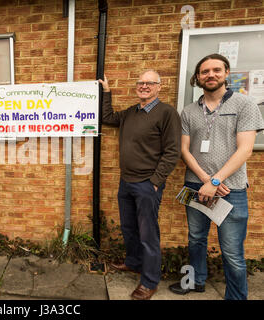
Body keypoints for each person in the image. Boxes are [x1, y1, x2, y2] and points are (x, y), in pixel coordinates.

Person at [169, 54, 264, 300]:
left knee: (232, 251)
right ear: (198, 77)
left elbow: (245, 149)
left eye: (216, 70)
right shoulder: (188, 111)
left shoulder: (245, 105)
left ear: (226, 73)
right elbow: (183, 149)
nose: (210, 75)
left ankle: (236, 297)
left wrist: (214, 181)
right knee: (195, 238)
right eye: (205, 71)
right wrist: (204, 180)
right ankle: (195, 281)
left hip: (230, 189)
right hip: (195, 185)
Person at [99, 70, 182, 300]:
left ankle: (149, 281)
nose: (144, 86)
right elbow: (107, 118)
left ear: (159, 86)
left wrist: (156, 182)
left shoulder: (167, 113)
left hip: (147, 184)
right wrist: (107, 92)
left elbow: (173, 151)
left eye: (149, 83)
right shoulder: (131, 112)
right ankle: (134, 263)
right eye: (141, 83)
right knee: (129, 228)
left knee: (148, 235)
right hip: (126, 182)